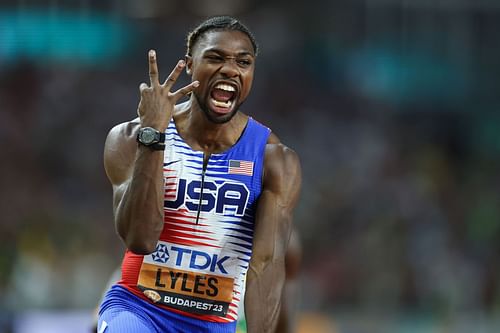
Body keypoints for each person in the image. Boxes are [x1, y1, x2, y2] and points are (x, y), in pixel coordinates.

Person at [97, 16, 301, 333]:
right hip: (139, 309)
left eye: (243, 62)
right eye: (216, 58)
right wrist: (154, 135)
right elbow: (141, 239)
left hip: (212, 323)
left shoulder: (273, 160)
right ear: (190, 65)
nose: (231, 69)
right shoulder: (130, 137)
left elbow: (266, 265)